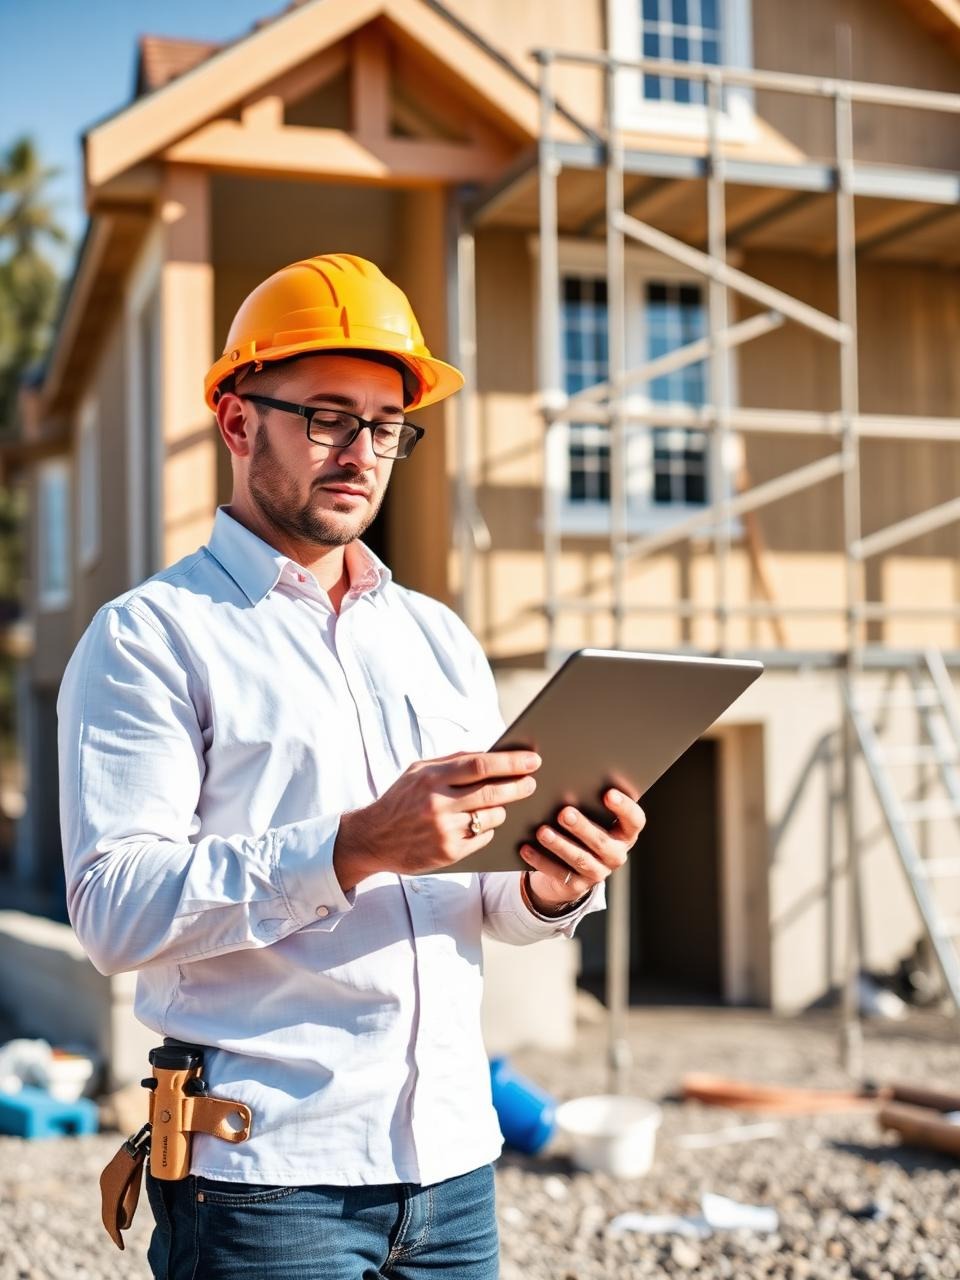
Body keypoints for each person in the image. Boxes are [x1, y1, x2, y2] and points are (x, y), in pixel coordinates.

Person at [57, 253, 646, 1279]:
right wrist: (357, 843)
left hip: (455, 1174)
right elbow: (114, 909)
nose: (362, 451)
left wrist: (552, 884)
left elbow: (484, 902)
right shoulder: (150, 636)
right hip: (265, 1182)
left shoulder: (440, 639)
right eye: (328, 417)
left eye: (385, 426)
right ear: (239, 423)